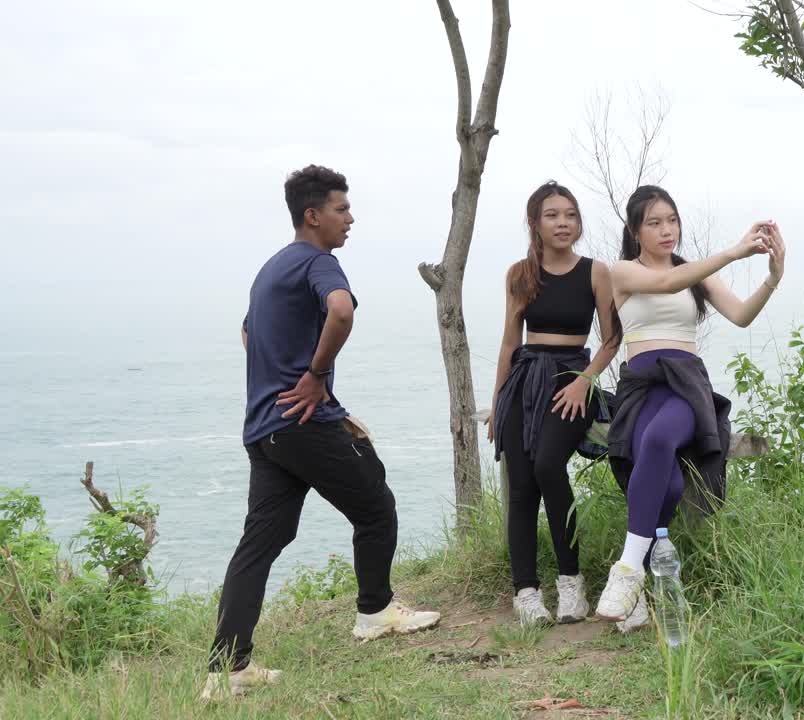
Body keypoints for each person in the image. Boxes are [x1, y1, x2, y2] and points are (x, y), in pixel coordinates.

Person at [203, 165, 441, 700]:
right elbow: (340, 311)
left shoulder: (270, 269)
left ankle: (228, 671)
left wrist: (289, 378)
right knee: (376, 505)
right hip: (301, 423)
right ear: (314, 216)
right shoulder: (318, 262)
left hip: (265, 430)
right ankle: (375, 612)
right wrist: (311, 378)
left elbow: (247, 332)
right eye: (341, 208)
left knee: (261, 542)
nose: (350, 218)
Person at [593, 185, 786, 622]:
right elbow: (665, 281)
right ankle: (643, 589)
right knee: (673, 487)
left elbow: (741, 315)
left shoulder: (694, 272)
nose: (667, 230)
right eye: (654, 222)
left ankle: (625, 572)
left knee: (661, 439)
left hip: (684, 385)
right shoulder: (619, 272)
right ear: (635, 230)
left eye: (672, 220)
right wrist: (736, 250)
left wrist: (772, 278)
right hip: (641, 387)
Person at [488, 181, 626, 627]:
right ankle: (525, 591)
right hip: (524, 381)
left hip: (571, 379)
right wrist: (497, 402)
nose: (563, 222)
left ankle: (572, 581)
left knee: (549, 465)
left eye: (569, 214)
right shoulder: (520, 274)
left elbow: (611, 338)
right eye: (552, 215)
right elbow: (510, 342)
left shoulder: (594, 271)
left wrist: (584, 382)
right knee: (522, 484)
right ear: (535, 223)